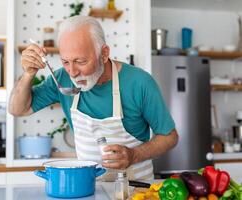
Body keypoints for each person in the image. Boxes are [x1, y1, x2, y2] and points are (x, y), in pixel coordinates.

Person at [9, 16, 178, 180]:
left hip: (136, 190)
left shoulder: (139, 82)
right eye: (65, 62)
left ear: (104, 54)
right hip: (90, 188)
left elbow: (169, 137)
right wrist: (28, 74)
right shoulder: (62, 79)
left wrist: (134, 155)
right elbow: (18, 109)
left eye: (80, 61)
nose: (73, 72)